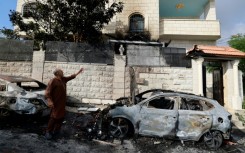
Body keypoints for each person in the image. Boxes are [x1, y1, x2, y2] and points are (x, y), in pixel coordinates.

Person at [44, 68, 84, 140]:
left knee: (61, 117)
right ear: (57, 73)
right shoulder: (53, 81)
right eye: (61, 71)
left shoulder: (63, 79)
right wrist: (50, 101)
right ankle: (48, 132)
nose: (63, 72)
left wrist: (78, 72)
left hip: (62, 103)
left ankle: (56, 131)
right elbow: (47, 93)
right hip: (55, 103)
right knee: (53, 117)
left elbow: (71, 77)